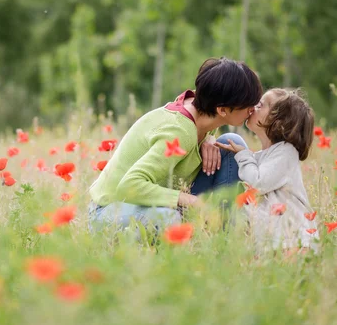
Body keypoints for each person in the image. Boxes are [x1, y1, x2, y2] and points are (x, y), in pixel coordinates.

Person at [88, 57, 263, 231]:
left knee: (230, 145)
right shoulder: (180, 132)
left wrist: (209, 137)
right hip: (111, 210)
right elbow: (128, 187)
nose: (253, 109)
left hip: (156, 202)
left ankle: (225, 232)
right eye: (248, 104)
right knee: (169, 218)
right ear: (222, 110)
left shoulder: (200, 108)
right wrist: (192, 201)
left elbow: (204, 125)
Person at [217, 88, 319, 253]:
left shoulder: (286, 151)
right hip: (272, 243)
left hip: (294, 241)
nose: (253, 107)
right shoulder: (263, 156)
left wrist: (243, 155)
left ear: (278, 120)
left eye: (260, 105)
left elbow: (258, 182)